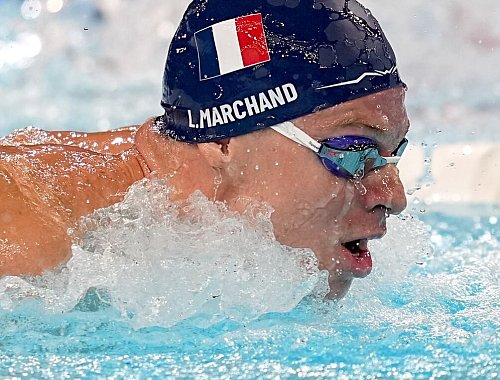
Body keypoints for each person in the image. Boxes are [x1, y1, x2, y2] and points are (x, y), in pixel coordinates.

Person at [0, 0, 409, 299]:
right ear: (222, 139)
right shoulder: (26, 235)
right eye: (354, 151)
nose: (394, 197)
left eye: (394, 154)